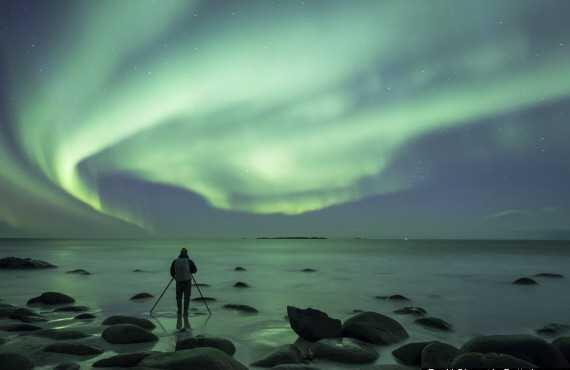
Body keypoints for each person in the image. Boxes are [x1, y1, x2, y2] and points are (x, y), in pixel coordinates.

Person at [170, 248, 197, 330]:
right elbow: (195, 270)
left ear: (180, 253)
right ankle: (185, 312)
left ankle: (179, 311)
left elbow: (172, 272)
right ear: (186, 253)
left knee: (178, 297)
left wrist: (175, 276)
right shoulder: (189, 261)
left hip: (178, 282)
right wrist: (190, 271)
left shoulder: (175, 261)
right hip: (187, 281)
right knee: (186, 298)